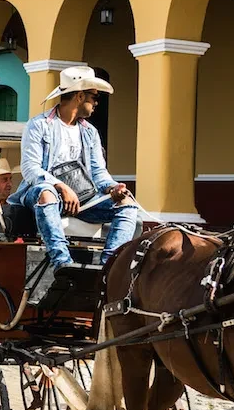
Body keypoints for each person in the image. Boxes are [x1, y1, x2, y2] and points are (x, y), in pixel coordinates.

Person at [8, 66, 138, 270]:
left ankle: (110, 266)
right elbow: (30, 169)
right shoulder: (39, 125)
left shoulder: (90, 132)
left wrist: (113, 188)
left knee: (128, 205)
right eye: (94, 96)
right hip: (43, 192)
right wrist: (60, 186)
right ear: (79, 96)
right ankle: (62, 262)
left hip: (84, 198)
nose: (96, 103)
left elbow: (98, 173)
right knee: (47, 193)